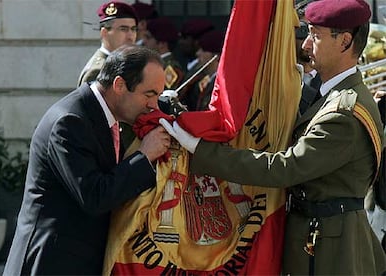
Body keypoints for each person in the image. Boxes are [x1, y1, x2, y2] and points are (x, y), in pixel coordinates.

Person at [160, 0, 386, 274]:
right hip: (315, 234)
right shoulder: (327, 95)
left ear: (345, 41)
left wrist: (199, 148)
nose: (304, 45)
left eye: (315, 36)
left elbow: (285, 168)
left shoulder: (343, 112)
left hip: (331, 246)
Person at [3, 45, 171, 276]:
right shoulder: (70, 121)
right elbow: (94, 196)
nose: (153, 105)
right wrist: (144, 156)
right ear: (119, 85)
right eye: (149, 94)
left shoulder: (101, 115)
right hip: (52, 264)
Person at [77, 1, 138, 86]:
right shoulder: (98, 71)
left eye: (133, 29)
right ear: (104, 33)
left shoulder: (124, 62)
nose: (130, 36)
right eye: (123, 29)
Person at [181, 30, 224, 111]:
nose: (198, 53)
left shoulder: (221, 84)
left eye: (203, 50)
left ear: (216, 56)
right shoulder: (205, 80)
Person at [142, 17, 185, 90]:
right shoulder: (155, 63)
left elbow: (166, 96)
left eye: (148, 38)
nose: (144, 41)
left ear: (162, 44)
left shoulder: (170, 68)